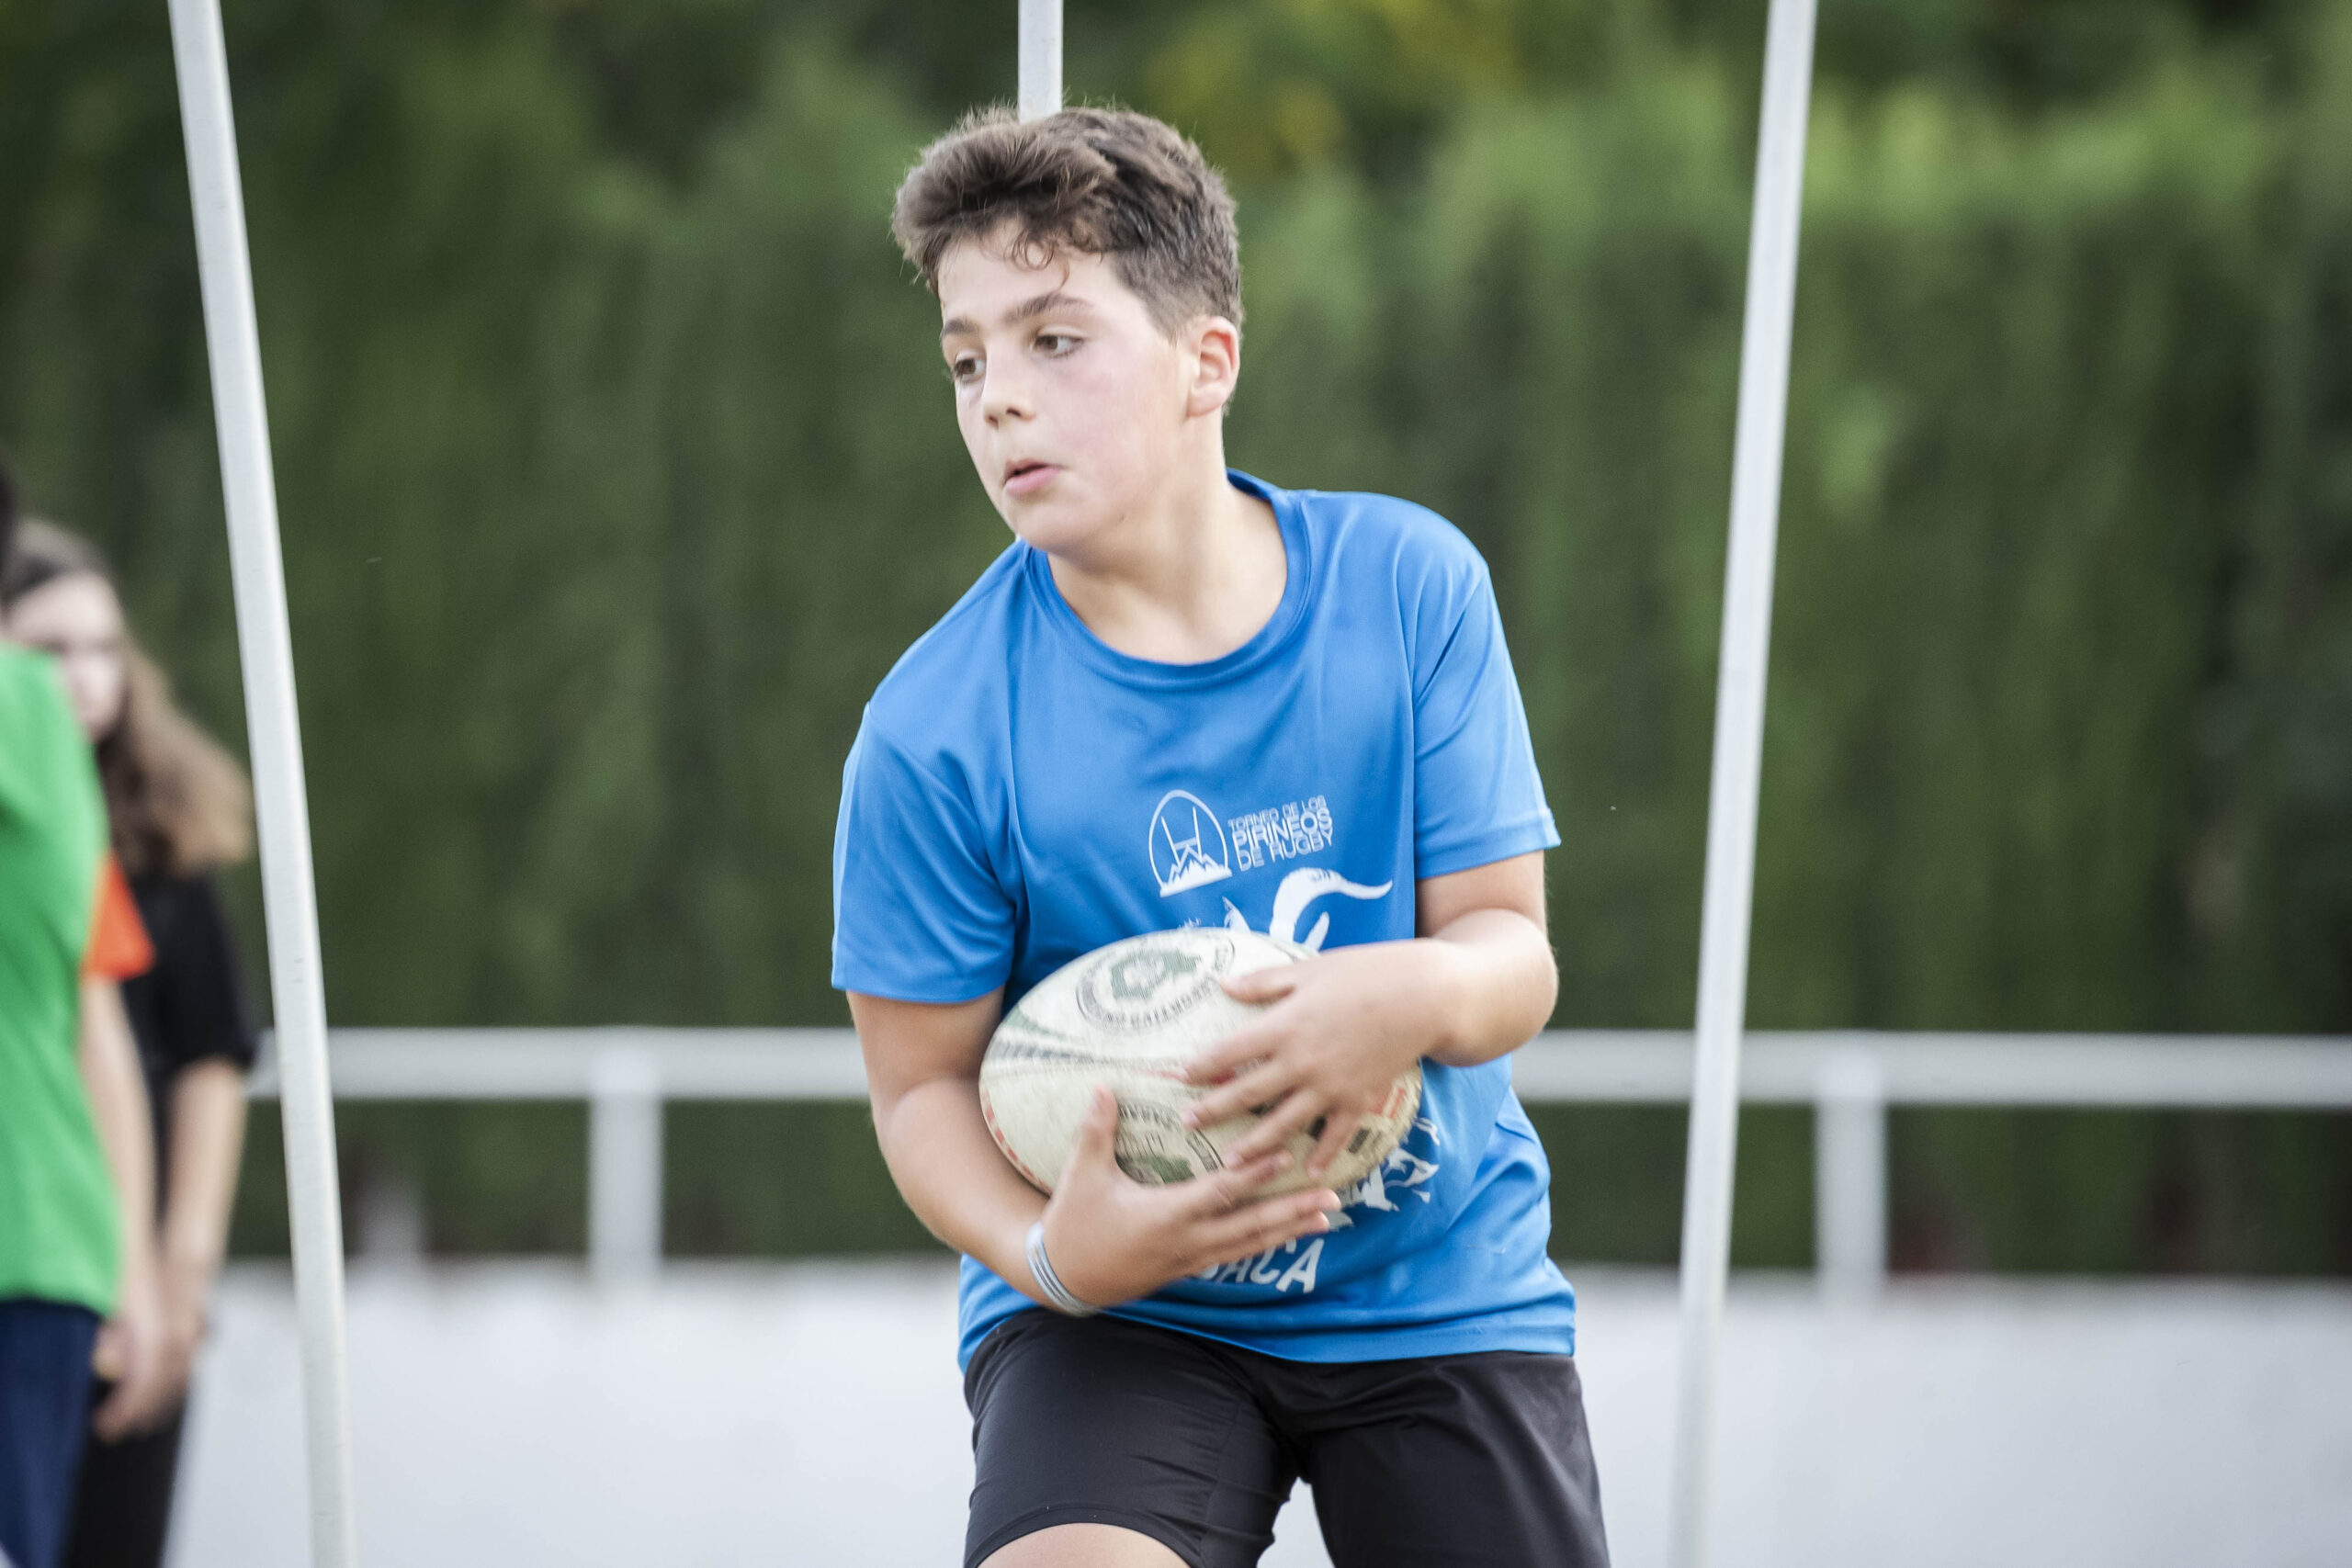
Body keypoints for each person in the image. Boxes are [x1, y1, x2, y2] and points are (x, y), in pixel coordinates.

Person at [831, 109, 1609, 1568]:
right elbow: (918, 1092)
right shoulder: (932, 729)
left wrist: (1409, 996)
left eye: (1053, 338)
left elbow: (1513, 955)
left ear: (1209, 362)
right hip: (1122, 1316)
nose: (998, 395)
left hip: (1432, 1286)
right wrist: (1055, 1253)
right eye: (965, 356)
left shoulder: (1408, 586)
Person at [1, 522, 258, 1568]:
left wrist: (168, 1266)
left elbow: (203, 1058)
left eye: (105, 649)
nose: (86, 678)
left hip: (95, 1238)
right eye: (52, 650)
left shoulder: (160, 839)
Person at [0, 463, 174, 1568]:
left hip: (33, 1233)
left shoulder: (31, 717)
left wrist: (145, 1262)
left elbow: (99, 1021)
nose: (83, 679)